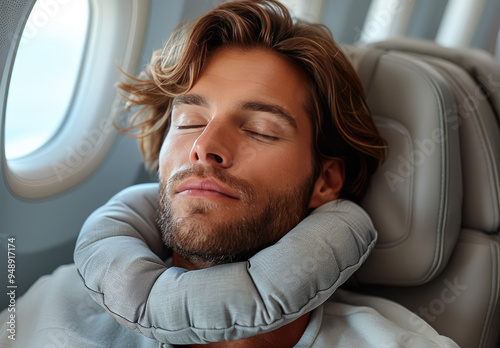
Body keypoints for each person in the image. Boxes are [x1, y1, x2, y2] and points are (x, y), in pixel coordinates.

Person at [0, 1, 459, 347]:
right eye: (190, 122)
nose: (205, 147)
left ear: (326, 181)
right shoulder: (51, 306)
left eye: (260, 129)